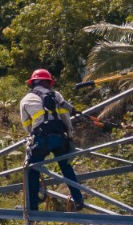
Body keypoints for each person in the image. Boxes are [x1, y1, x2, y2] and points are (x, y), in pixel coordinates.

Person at [19, 68, 85, 211]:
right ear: (47, 82)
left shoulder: (25, 100)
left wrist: (34, 136)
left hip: (41, 138)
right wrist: (70, 136)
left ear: (33, 83)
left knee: (32, 169)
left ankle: (32, 207)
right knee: (66, 167)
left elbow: (27, 126)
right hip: (60, 137)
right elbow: (66, 117)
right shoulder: (56, 95)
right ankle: (78, 200)